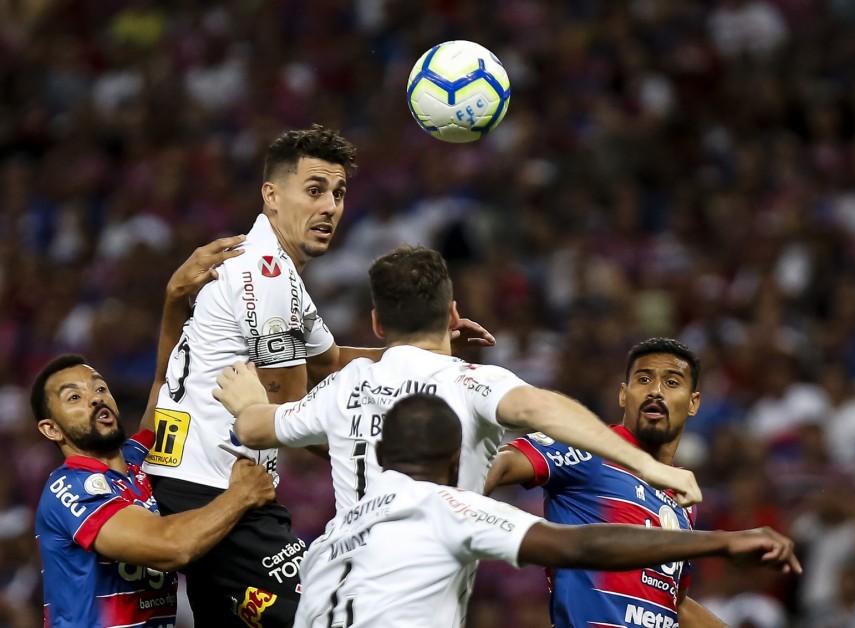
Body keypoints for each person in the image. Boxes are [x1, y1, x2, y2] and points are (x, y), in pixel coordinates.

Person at [141, 125, 494, 626]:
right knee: (333, 614)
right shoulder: (265, 279)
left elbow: (327, 361)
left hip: (199, 481)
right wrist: (398, 465)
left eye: (338, 193)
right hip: (217, 489)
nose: (330, 206)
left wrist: (425, 346)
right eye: (314, 191)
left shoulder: (271, 269)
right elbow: (289, 414)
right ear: (272, 195)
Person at [213, 246, 701, 521]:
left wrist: (246, 398)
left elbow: (256, 428)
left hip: (336, 588)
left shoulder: (349, 383)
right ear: (453, 314)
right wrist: (649, 467)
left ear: (378, 323)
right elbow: (540, 410)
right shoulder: (477, 383)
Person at [292, 393, 801, 627]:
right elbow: (581, 544)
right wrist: (723, 540)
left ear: (381, 457)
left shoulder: (330, 537)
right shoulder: (446, 506)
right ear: (454, 462)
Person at [32, 237, 278, 628]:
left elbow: (167, 380)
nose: (96, 398)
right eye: (74, 397)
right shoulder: (69, 490)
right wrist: (240, 495)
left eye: (99, 387)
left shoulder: (138, 459)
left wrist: (175, 295)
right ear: (50, 428)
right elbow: (170, 548)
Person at [484, 337, 731, 627]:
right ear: (623, 395)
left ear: (693, 403)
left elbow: (674, 602)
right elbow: (500, 463)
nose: (656, 391)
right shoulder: (588, 448)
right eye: (643, 379)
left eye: (672, 383)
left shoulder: (683, 499)